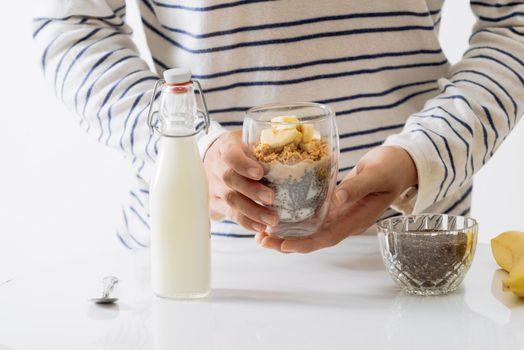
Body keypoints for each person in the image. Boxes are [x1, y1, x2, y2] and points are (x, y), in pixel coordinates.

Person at [33, 1, 523, 253]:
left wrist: (426, 153)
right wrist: (185, 149)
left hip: (410, 253)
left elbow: (514, 24)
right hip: (198, 264)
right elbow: (72, 27)